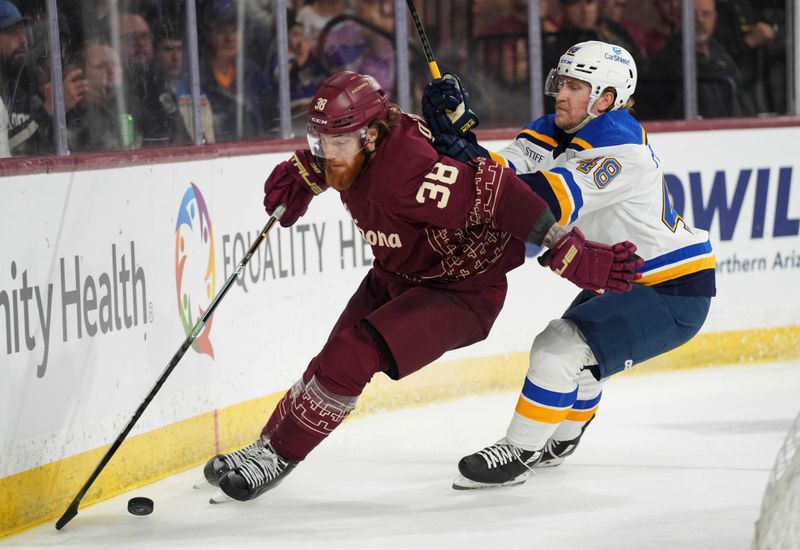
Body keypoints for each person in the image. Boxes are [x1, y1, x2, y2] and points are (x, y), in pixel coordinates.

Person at [202, 70, 643, 502]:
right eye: (320, 143)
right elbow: (334, 158)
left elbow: (499, 195)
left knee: (353, 353)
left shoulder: (409, 172)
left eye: (336, 144)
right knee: (332, 354)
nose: (327, 154)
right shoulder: (360, 138)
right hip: (399, 272)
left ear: (371, 136)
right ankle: (264, 446)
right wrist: (306, 172)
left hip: (460, 292)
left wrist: (570, 249)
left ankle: (278, 456)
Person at [421, 41, 715, 489]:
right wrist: (456, 137)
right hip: (622, 275)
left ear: (607, 98)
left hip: (671, 288)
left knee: (558, 347)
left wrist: (464, 152)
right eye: (562, 83)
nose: (560, 93)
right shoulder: (554, 128)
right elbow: (502, 173)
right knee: (581, 355)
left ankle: (520, 451)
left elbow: (540, 201)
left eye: (576, 86)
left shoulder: (620, 145)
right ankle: (561, 440)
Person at [641, 0, 753, 119]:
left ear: (715, 18)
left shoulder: (722, 55)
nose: (699, 20)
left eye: (706, 14)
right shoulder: (665, 62)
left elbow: (741, 103)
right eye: (693, 14)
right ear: (679, 18)